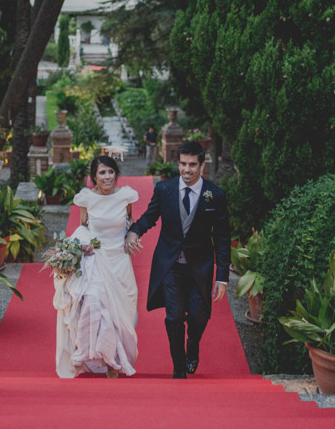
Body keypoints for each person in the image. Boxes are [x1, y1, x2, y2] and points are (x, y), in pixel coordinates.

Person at [125, 141, 230, 378]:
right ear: (178, 163)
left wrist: (222, 276)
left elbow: (223, 238)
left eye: (193, 164)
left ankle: (192, 347)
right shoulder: (165, 190)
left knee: (197, 317)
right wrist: (134, 231)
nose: (187, 169)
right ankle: (179, 368)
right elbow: (150, 217)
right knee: (173, 317)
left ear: (202, 165)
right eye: (183, 164)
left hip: (200, 268)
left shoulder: (216, 196)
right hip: (170, 266)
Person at [54, 156, 140, 378]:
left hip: (120, 261)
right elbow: (83, 227)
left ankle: (116, 359)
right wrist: (83, 245)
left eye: (111, 172)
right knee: (94, 305)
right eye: (102, 173)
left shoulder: (126, 196)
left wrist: (132, 236)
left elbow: (129, 222)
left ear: (116, 174)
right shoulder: (87, 199)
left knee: (120, 314)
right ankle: (101, 358)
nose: (107, 177)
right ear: (94, 177)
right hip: (96, 260)